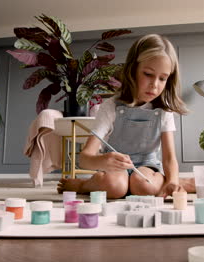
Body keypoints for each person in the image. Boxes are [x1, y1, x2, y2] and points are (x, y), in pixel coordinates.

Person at [57, 34, 195, 198]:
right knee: (115, 188)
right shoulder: (110, 107)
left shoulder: (164, 111)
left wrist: (172, 180)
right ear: (132, 69)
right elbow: (85, 158)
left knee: (146, 187)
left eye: (163, 78)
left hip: (147, 167)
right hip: (115, 170)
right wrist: (103, 161)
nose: (155, 85)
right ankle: (83, 185)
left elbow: (169, 157)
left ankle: (174, 183)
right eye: (148, 74)